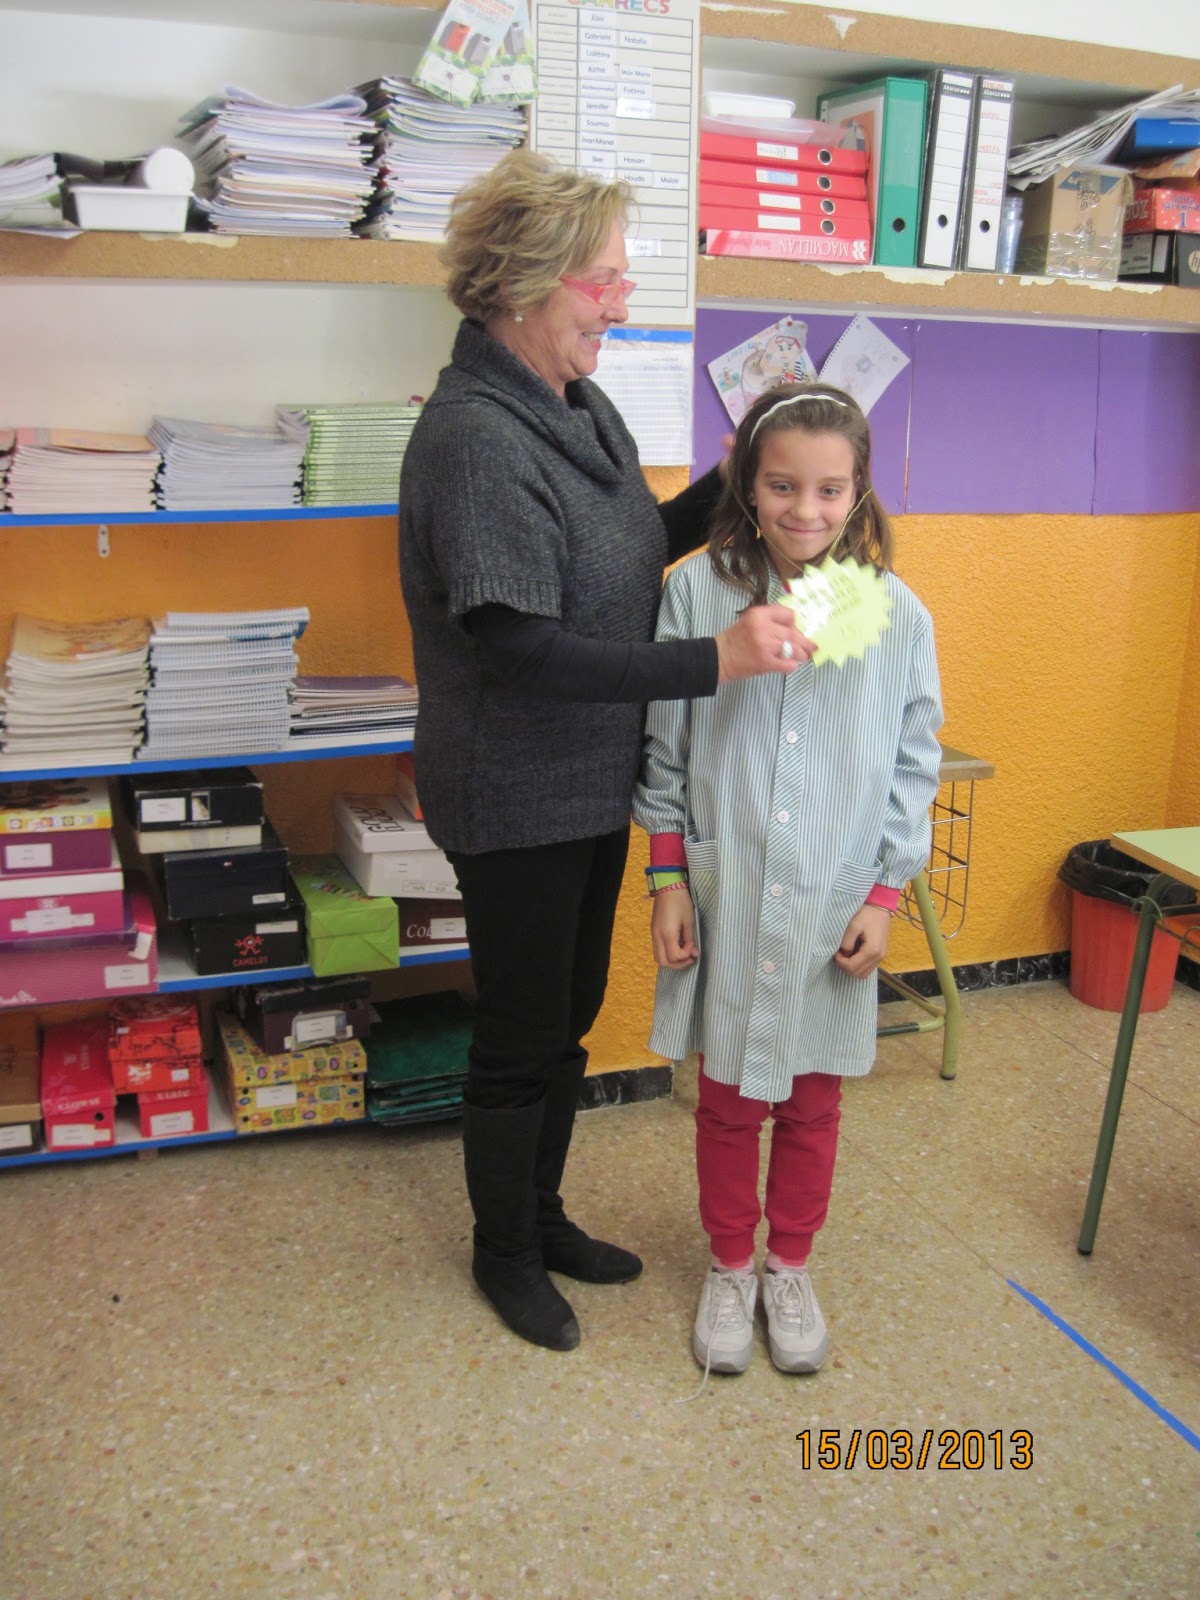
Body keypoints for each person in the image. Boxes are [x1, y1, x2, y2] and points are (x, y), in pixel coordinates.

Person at [397, 149, 807, 1354]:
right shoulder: (478, 437)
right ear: (525, 282)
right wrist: (711, 660)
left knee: (567, 1013)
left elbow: (634, 546)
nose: (622, 303)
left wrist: (743, 474)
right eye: (606, 280)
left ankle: (540, 1214)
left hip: (583, 775)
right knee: (522, 1030)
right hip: (512, 782)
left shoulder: (576, 405)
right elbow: (521, 646)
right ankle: (504, 1252)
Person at [632, 382, 943, 1376]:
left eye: (829, 489)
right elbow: (664, 747)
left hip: (830, 902)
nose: (804, 510)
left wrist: (884, 896)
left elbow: (913, 765)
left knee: (812, 1103)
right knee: (726, 1098)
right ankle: (730, 1265)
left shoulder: (896, 616)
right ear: (747, 484)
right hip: (727, 891)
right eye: (781, 485)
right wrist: (667, 879)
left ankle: (788, 1267)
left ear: (859, 491)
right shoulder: (696, 593)